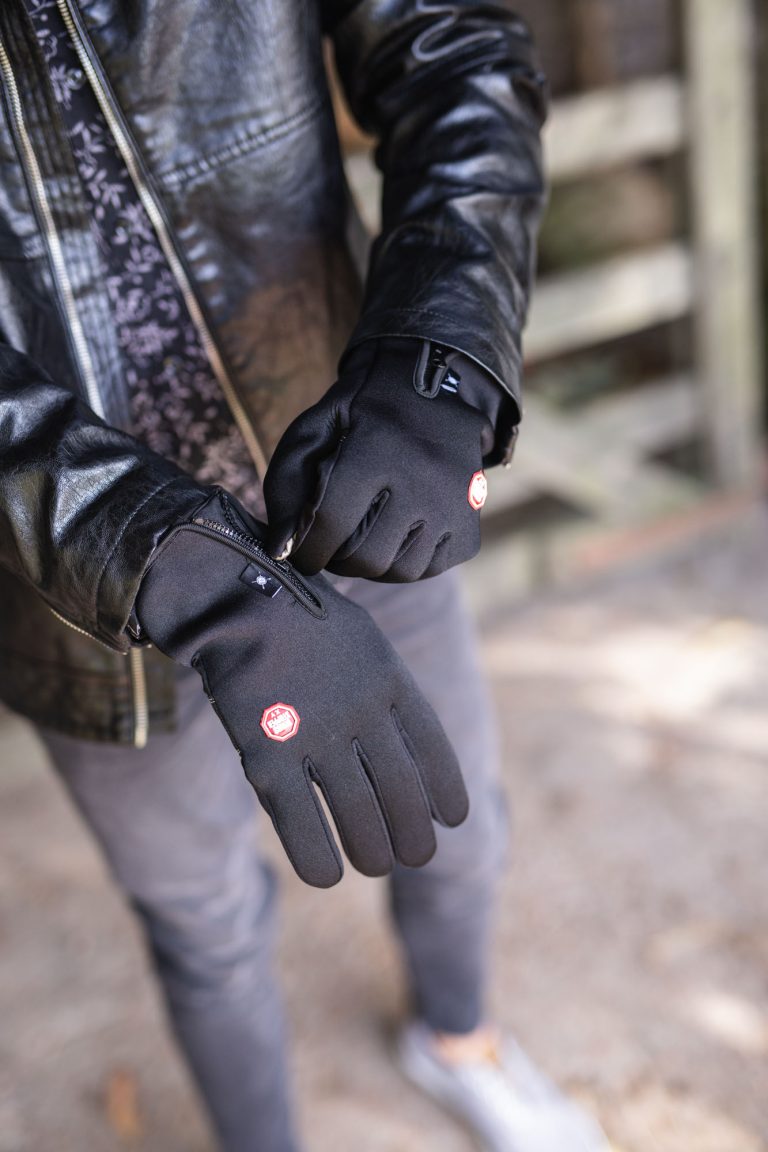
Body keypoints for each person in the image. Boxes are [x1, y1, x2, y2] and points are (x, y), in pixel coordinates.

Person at [0, 2, 608, 1149]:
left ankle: (458, 1040)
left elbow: (455, 51)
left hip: (346, 484)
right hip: (72, 595)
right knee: (204, 922)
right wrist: (179, 566)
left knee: (457, 817)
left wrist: (439, 356)